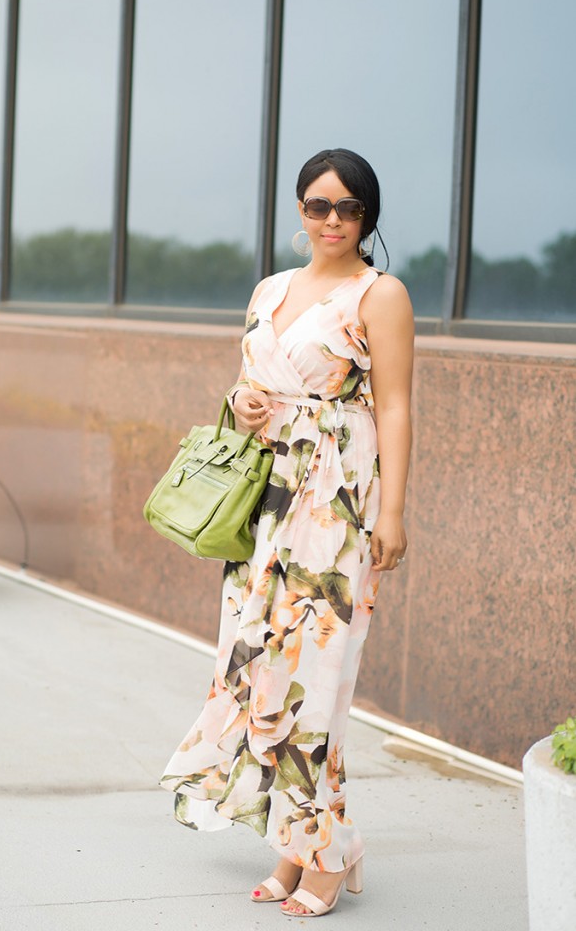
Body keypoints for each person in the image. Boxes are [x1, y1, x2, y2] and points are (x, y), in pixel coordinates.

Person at [160, 148, 414, 917]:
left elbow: (395, 406)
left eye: (346, 207)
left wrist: (394, 512)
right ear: (298, 210)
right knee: (258, 669)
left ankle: (323, 852)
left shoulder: (381, 293)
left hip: (335, 505)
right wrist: (242, 403)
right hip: (267, 504)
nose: (331, 220)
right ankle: (300, 841)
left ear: (367, 215)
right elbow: (252, 383)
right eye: (316, 205)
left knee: (315, 679)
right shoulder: (270, 288)